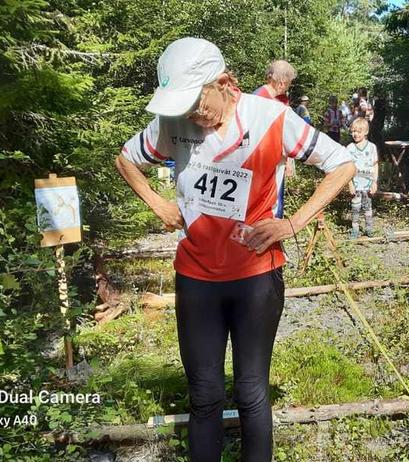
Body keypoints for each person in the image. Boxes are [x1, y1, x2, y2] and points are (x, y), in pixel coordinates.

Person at [114, 38, 355, 461]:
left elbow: (343, 164)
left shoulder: (271, 117)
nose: (192, 115)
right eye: (184, 107)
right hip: (196, 278)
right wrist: (157, 203)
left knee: (250, 391)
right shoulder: (172, 121)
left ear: (224, 83)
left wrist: (293, 223)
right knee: (204, 394)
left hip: (256, 278)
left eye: (197, 103)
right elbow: (126, 159)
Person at [253, 60, 297, 177]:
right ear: (282, 82)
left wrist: (288, 160)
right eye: (288, 83)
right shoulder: (258, 99)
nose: (288, 87)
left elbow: (284, 132)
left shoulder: (282, 99)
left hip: (278, 162)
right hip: (261, 164)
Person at [346, 117, 378, 238]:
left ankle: (369, 228)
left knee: (367, 206)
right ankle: (355, 229)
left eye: (358, 132)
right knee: (355, 207)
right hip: (355, 183)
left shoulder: (372, 147)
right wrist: (350, 184)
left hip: (368, 183)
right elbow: (347, 168)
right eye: (353, 131)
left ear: (366, 132)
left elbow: (375, 165)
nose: (355, 134)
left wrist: (374, 182)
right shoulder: (350, 148)